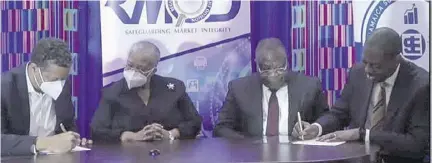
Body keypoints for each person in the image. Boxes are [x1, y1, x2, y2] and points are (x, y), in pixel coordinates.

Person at [293, 27, 430, 162]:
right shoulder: (357, 73)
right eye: (365, 63)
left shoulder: (420, 85)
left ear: (396, 60)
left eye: (376, 66)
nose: (368, 71)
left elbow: (416, 144)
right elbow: (339, 114)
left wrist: (363, 134)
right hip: (357, 158)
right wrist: (317, 128)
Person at [213, 38, 328, 139]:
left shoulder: (309, 86)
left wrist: (312, 128)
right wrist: (249, 145)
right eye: (266, 69)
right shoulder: (239, 88)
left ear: (287, 62)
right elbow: (222, 128)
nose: (273, 74)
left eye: (280, 68)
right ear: (256, 65)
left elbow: (326, 120)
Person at [91, 41, 202, 142]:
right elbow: (97, 130)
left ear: (153, 70)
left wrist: (170, 134)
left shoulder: (175, 89)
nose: (133, 71)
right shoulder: (112, 92)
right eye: (130, 65)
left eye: (140, 68)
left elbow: (195, 122)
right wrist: (130, 136)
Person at [1, 38, 91, 156]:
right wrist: (45, 143)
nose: (59, 85)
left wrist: (73, 140)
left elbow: (67, 125)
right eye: (54, 80)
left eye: (63, 79)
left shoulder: (63, 86)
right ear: (34, 69)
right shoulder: (4, 87)